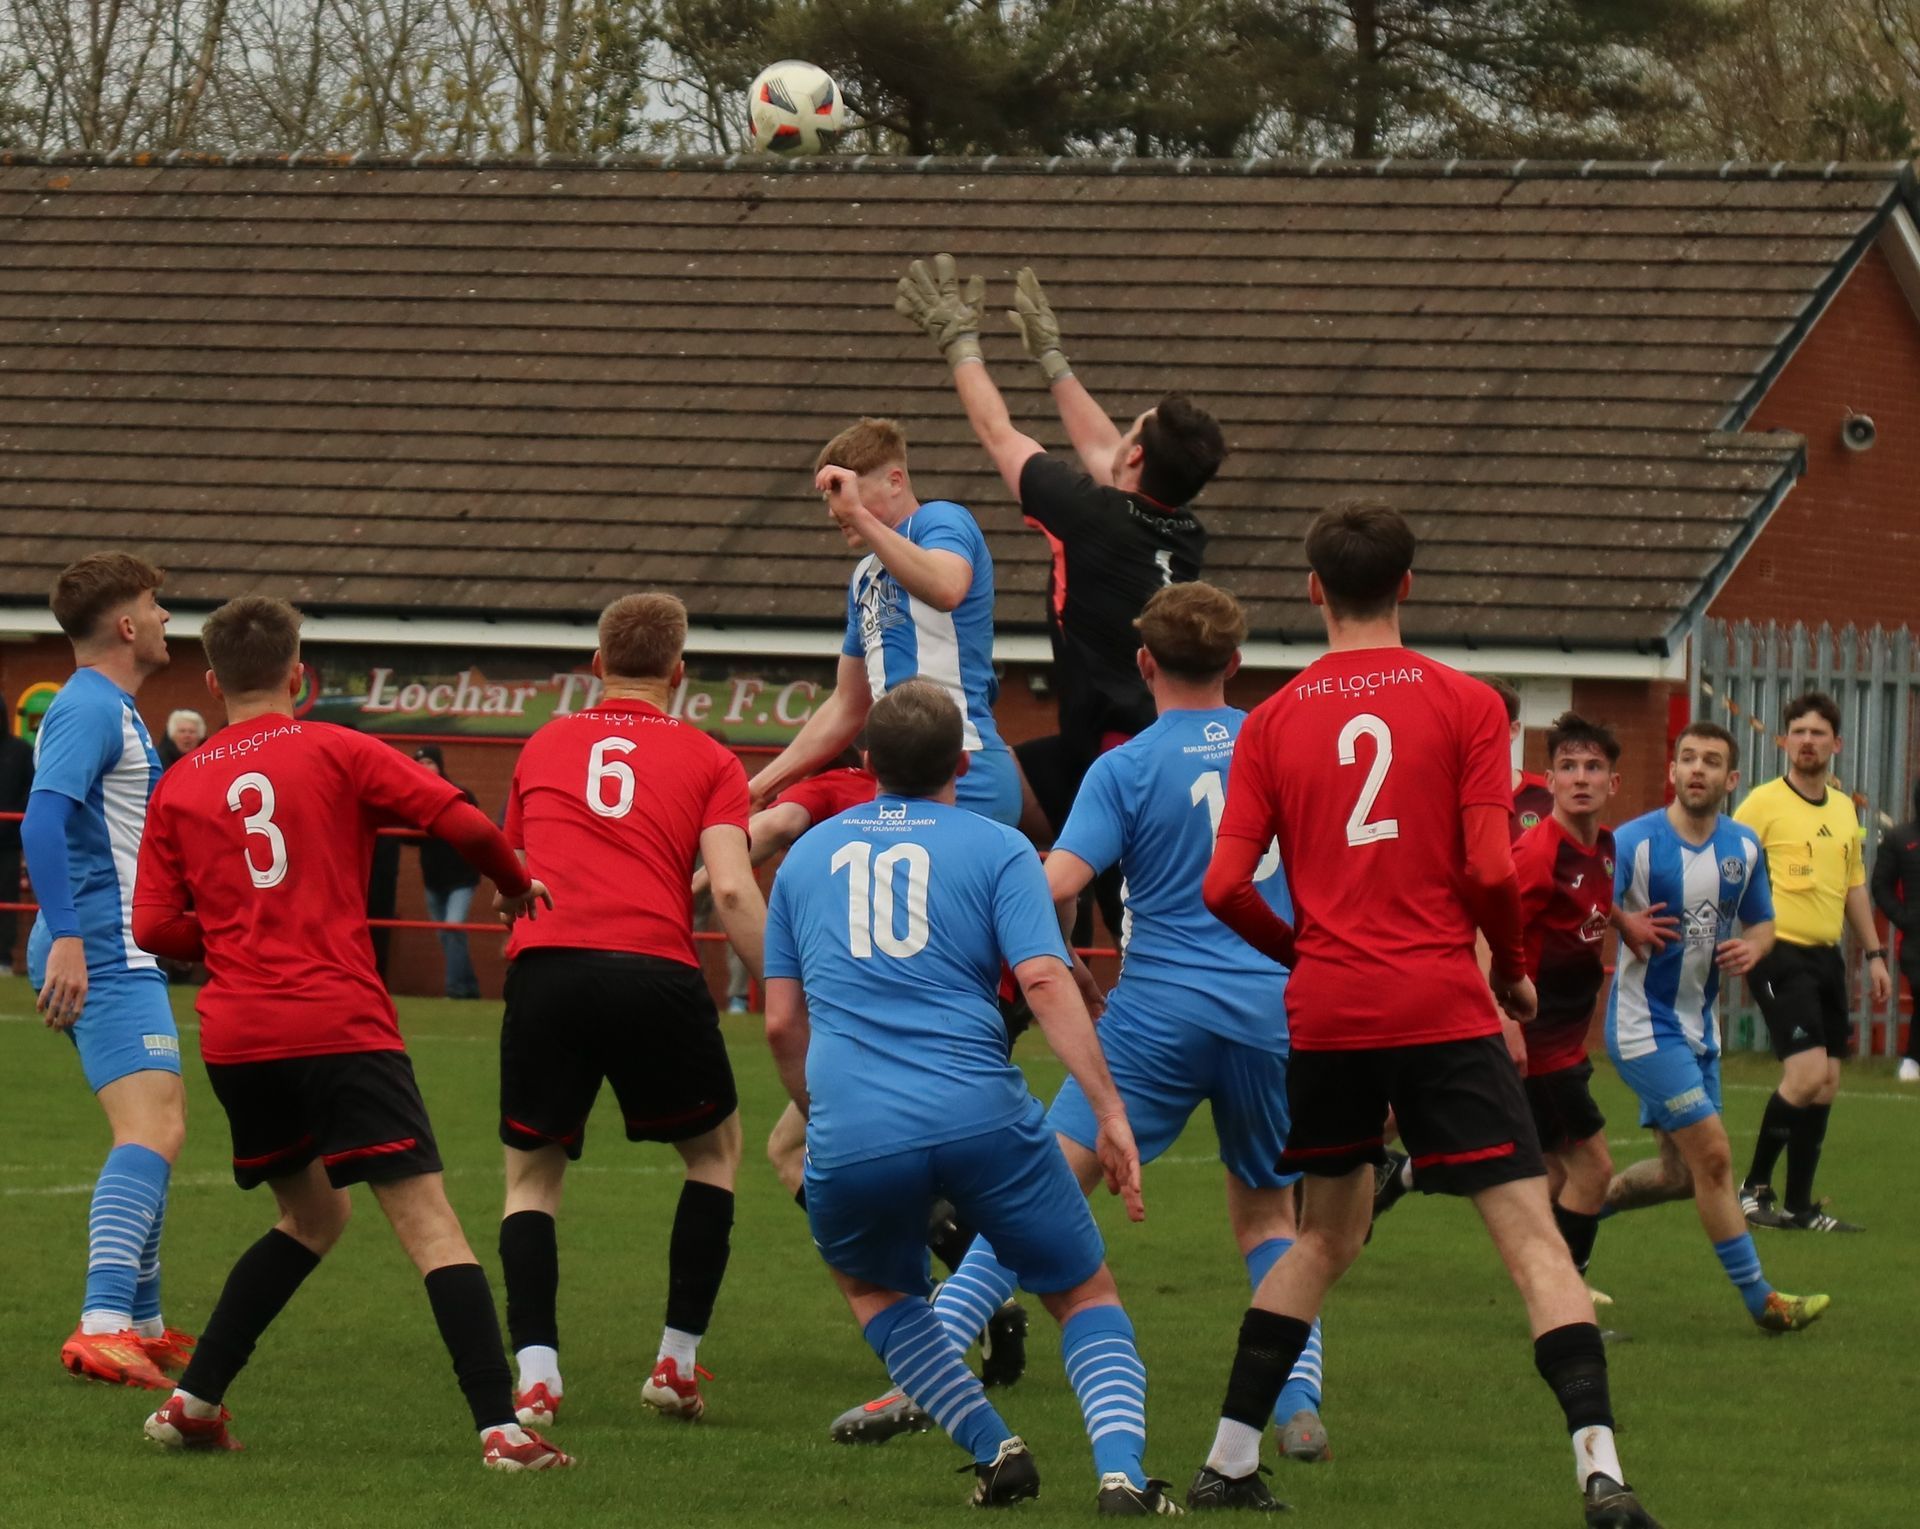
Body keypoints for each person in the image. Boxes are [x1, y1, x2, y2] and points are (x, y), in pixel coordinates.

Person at [1191, 503, 1656, 1527]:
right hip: (1440, 1001)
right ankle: (1602, 1473)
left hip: (1329, 1013)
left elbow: (1224, 885)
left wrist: (1304, 952)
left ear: (1314, 589)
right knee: (1533, 1240)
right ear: (1407, 584)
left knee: (1324, 1237)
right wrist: (1514, 974)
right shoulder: (1468, 703)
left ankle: (1227, 1460)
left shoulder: (1269, 719)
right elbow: (1490, 867)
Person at [828, 583, 1332, 1474]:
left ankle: (926, 1368)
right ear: (1235, 662)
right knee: (1269, 1215)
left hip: (1157, 1014)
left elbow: (1057, 879)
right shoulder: (1283, 746)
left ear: (1143, 663)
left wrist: (981, 901)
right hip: (1271, 1009)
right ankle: (1297, 1408)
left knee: (1039, 1193)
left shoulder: (1128, 767)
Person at [130, 595, 570, 1469]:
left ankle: (192, 1403)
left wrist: (230, 932)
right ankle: (502, 1428)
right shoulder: (337, 747)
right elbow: (463, 821)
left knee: (311, 1215)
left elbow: (151, 927)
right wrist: (515, 884)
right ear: (300, 674)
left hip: (240, 1037)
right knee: (431, 1226)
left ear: (212, 684)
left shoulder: (179, 781)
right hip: (338, 1023)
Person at [762, 680, 1175, 1514]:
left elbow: (779, 1021)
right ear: (962, 762)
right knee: (1084, 1292)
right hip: (979, 1110)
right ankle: (1122, 1477)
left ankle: (996, 1448)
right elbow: (1044, 979)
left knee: (875, 1291)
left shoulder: (806, 856)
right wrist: (1108, 1109)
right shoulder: (1000, 848)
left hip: (854, 1122)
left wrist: (825, 1109)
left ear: (867, 761)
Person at [495, 592, 766, 1429]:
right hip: (653, 966)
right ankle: (675, 1364)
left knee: (531, 1178)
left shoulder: (543, 742)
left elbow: (511, 873)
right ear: (679, 672)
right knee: (714, 1153)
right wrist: (789, 989)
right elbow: (729, 888)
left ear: (596, 665)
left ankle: (536, 1376)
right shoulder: (711, 757)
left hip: (548, 965)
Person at [896, 255, 1227, 933]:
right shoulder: (1183, 530)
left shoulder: (1090, 514)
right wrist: (1053, 361)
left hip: (1122, 756)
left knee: (1138, 926)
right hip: (1107, 739)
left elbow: (999, 434)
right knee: (991, 784)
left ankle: (970, 943)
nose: (1118, 437)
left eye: (1132, 431)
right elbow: (1110, 452)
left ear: (1137, 457)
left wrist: (960, 343)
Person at [21, 553, 192, 1390]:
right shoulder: (89, 705)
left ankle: (143, 1322)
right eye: (156, 605)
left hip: (115, 942)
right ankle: (102, 1323)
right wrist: (69, 937)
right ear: (127, 624)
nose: (166, 618)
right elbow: (40, 823)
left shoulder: (107, 705)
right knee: (151, 1129)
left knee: (159, 1124)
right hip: (101, 944)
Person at [1600, 723, 1829, 1334]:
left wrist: (1755, 947)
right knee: (1717, 1159)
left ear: (1731, 780)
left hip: (1699, 1029)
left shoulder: (1743, 847)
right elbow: (1587, 904)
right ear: (1671, 771)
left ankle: (1570, 1213)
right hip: (1643, 1027)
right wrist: (1624, 922)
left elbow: (1762, 924)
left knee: (1680, 1177)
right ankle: (1764, 1301)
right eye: (1687, 759)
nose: (1696, 769)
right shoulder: (1633, 842)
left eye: (1710, 761)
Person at [744, 418, 1019, 828]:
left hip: (965, 765)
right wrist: (759, 789)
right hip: (899, 779)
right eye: (831, 498)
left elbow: (946, 588)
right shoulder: (864, 577)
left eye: (845, 491)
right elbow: (847, 704)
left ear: (895, 481)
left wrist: (858, 515)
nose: (836, 510)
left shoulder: (940, 520)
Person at [1734, 692, 1889, 1232]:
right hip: (1778, 953)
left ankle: (1800, 1208)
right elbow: (1728, 867)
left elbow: (1853, 886)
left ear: (1836, 744)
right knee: (1804, 1074)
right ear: (1783, 741)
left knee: (1826, 1082)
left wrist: (1875, 954)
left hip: (1826, 957)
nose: (1807, 741)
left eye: (1817, 733)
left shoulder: (1844, 808)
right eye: (1798, 731)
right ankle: (1753, 1190)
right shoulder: (1760, 804)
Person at [1508, 714, 1624, 1291]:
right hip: (1541, 1045)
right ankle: (1567, 1296)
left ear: (1613, 783)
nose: (1581, 778)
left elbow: (1586, 904)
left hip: (1566, 1041)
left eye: (1593, 767)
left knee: (1552, 1175)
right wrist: (1505, 1020)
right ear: (1549, 780)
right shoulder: (1536, 852)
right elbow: (1490, 934)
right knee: (1594, 1170)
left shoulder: (1604, 846)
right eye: (1568, 767)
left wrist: (1627, 923)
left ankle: (1546, 1290)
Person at [409, 744, 483, 1000]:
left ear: (439, 765)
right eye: (419, 763)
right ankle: (469, 987)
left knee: (452, 928)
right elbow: (405, 836)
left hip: (462, 878)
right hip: (434, 880)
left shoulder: (459, 794)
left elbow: (476, 828)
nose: (424, 768)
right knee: (449, 934)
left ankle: (455, 989)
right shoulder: (411, 797)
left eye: (429, 762)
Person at [1868, 780, 1920, 1082]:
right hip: (1916, 941)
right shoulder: (1900, 838)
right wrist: (1906, 919)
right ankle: (1912, 1061)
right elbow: (1880, 886)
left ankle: (1912, 1060)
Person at [1488, 677, 1553, 835]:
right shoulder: (1444, 797)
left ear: (1514, 730)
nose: (1478, 735)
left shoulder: (1548, 795)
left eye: (1488, 724)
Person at [0, 692, 31, 971]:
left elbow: (30, 794)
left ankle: (4, 960)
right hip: (9, 839)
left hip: (8, 845)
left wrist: (10, 826)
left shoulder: (20, 752)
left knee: (6, 901)